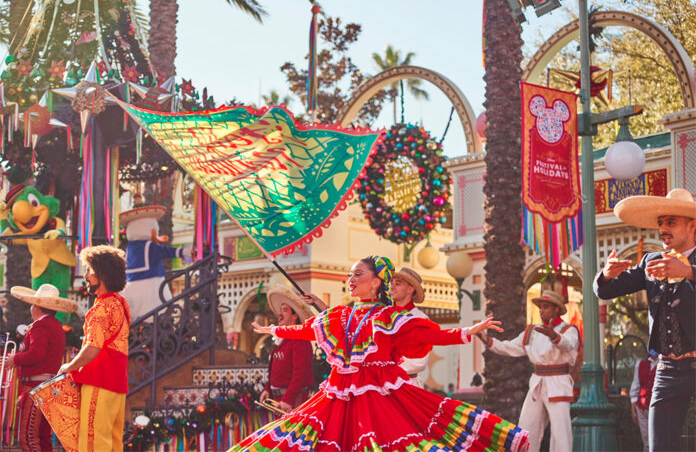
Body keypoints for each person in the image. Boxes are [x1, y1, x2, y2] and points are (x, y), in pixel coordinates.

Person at [230, 256, 529, 452]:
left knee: (387, 442)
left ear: (376, 282)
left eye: (358, 274)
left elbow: (429, 335)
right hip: (341, 391)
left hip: (382, 393)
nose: (351, 278)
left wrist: (468, 331)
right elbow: (309, 329)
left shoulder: (390, 317)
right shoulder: (341, 315)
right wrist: (275, 330)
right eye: (350, 274)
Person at [594, 188, 696, 452]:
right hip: (667, 369)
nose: (663, 229)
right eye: (661, 222)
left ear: (692, 226)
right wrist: (606, 275)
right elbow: (605, 291)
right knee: (658, 447)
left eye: (671, 222)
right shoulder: (651, 261)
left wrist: (688, 271)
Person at [476, 290, 579, 452]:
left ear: (556, 309)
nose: (541, 310)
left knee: (561, 431)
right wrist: (488, 341)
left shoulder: (568, 330)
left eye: (546, 307)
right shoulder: (532, 331)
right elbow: (510, 347)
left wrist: (554, 336)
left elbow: (569, 344)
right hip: (537, 383)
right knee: (527, 427)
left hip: (558, 383)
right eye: (540, 307)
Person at [57, 245, 131, 452]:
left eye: (89, 270)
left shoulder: (101, 308)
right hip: (117, 384)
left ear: (102, 273)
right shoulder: (121, 303)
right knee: (113, 443)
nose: (86, 276)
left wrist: (68, 367)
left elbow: (92, 348)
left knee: (92, 443)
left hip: (99, 381)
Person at [6, 284, 77, 452]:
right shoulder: (55, 325)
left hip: (36, 387)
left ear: (36, 307)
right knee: (42, 437)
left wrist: (15, 359)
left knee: (28, 438)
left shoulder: (40, 326)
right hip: (47, 387)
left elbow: (36, 354)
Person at [259, 285, 315, 412]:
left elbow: (300, 374)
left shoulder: (300, 339)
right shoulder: (282, 340)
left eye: (285, 310)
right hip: (280, 400)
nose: (279, 314)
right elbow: (276, 371)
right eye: (280, 310)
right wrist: (268, 389)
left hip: (293, 401)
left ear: (295, 316)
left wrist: (288, 399)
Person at [391, 266, 430, 387]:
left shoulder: (421, 320)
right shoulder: (383, 315)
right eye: (391, 283)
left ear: (410, 289)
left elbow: (419, 361)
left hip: (407, 385)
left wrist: (386, 364)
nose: (392, 286)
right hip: (382, 384)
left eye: (397, 284)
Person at [630, 350, 659, 452]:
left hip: (658, 408)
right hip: (642, 408)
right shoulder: (641, 364)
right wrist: (633, 410)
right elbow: (635, 387)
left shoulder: (663, 364)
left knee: (657, 440)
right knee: (647, 442)